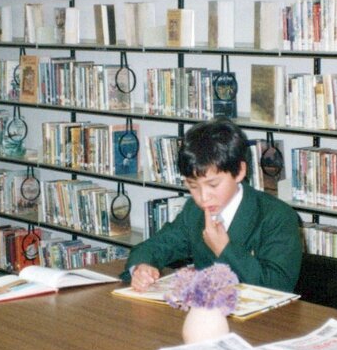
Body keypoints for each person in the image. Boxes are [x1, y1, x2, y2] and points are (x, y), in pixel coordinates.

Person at [125, 118, 302, 292]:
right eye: (193, 186)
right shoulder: (194, 211)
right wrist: (142, 267)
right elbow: (156, 245)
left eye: (213, 185)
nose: (203, 198)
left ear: (240, 171)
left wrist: (224, 248)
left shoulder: (277, 216)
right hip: (207, 313)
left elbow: (278, 287)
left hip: (262, 319)